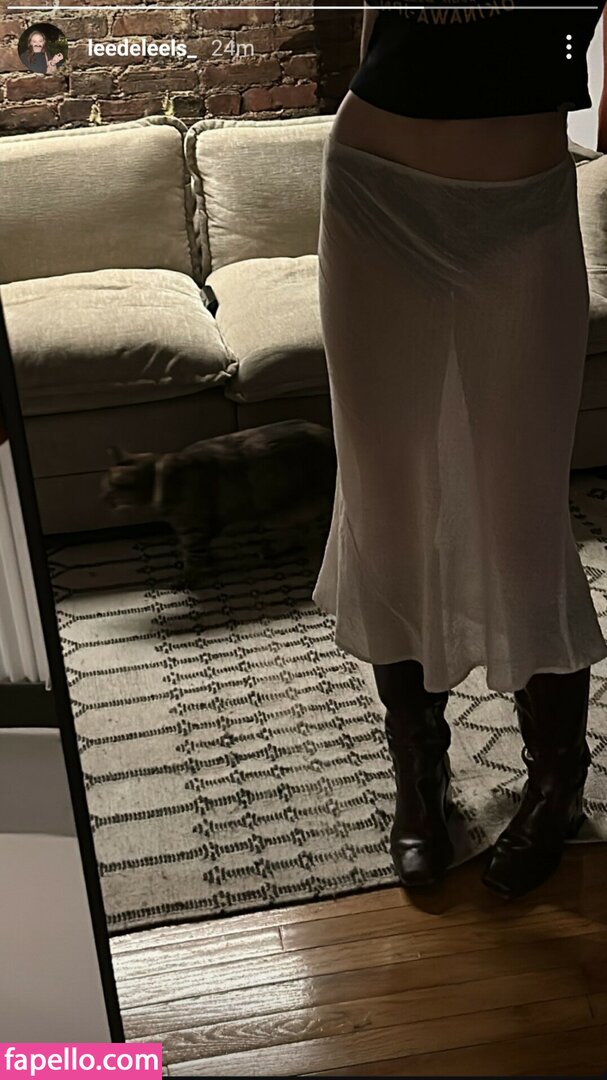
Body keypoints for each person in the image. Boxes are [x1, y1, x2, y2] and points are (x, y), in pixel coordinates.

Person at [312, 0, 607, 900]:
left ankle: (556, 780)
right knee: (388, 500)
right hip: (373, 186)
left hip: (522, 207)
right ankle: (419, 772)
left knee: (521, 513)